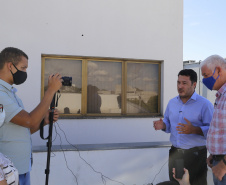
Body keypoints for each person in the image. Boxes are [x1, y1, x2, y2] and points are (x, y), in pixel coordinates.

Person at [0, 47, 62, 185]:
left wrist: (44, 121)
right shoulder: (1, 94)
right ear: (10, 66)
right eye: (23, 68)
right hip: (7, 174)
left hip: (21, 169)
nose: (25, 72)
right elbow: (29, 121)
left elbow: (23, 129)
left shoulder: (10, 93)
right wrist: (51, 90)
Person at [153, 69, 214, 185]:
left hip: (195, 155)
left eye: (184, 83)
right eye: (178, 82)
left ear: (194, 84)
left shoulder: (205, 104)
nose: (180, 86)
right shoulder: (172, 103)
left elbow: (213, 130)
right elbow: (168, 124)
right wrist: (163, 125)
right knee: (175, 183)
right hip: (176, 154)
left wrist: (194, 129)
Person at [200, 55, 226, 185]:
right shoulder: (221, 96)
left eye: (205, 75)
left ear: (219, 70)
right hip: (218, 161)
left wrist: (224, 164)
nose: (204, 80)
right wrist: (214, 154)